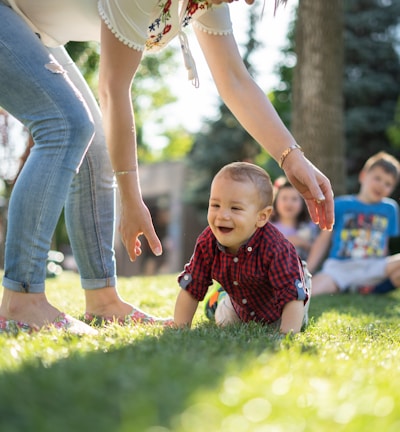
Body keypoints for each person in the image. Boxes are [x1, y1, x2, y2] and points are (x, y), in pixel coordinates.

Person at [0, 0, 332, 334]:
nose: (246, 2)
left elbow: (234, 80)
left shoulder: (209, 3)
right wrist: (131, 198)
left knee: (95, 141)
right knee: (67, 124)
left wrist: (292, 158)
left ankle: (102, 300)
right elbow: (113, 88)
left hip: (30, 27)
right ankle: (21, 301)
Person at [174, 162, 311, 335]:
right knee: (225, 322)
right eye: (215, 205)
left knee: (293, 322)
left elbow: (292, 295)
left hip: (282, 304)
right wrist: (179, 328)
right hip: (241, 303)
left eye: (235, 208)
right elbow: (192, 286)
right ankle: (219, 300)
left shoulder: (276, 247)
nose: (222, 215)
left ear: (261, 217)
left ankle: (221, 298)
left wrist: (287, 335)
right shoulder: (207, 242)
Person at [307, 151, 400, 295]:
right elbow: (323, 240)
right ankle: (360, 288)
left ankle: (370, 288)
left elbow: (385, 244)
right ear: (363, 176)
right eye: (377, 178)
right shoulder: (340, 205)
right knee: (309, 290)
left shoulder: (390, 208)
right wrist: (308, 270)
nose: (381, 185)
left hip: (374, 267)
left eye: (388, 184)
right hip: (340, 268)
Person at [270, 177, 319, 261]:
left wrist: (303, 243)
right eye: (284, 198)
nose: (289, 203)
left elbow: (318, 250)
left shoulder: (310, 226)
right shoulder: (268, 226)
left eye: (294, 199)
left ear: (303, 203)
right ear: (275, 201)